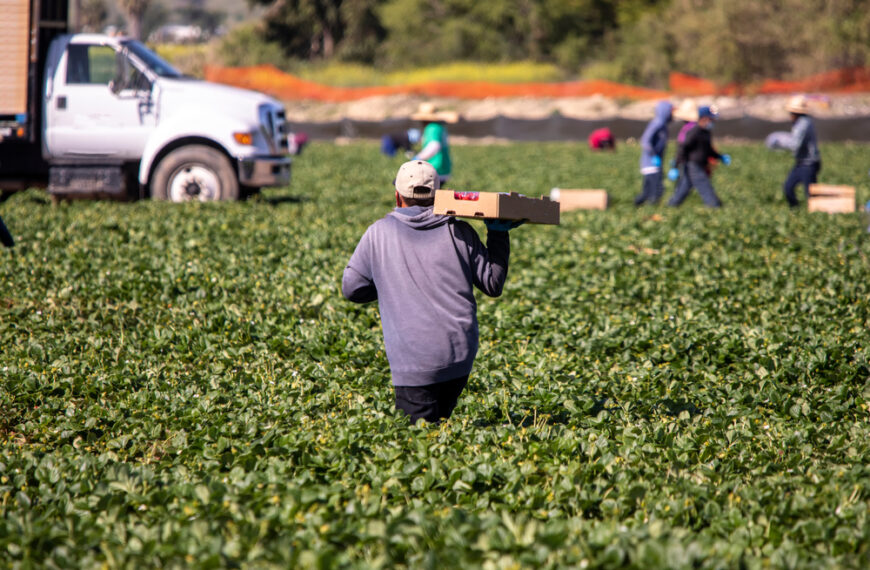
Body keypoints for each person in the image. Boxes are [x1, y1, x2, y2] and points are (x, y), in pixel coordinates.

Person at [342, 160, 519, 424]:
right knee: (441, 427)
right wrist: (497, 234)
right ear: (438, 194)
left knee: (419, 445)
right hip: (459, 357)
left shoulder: (378, 233)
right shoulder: (459, 230)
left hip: (414, 362)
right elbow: (492, 284)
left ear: (397, 195)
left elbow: (352, 289)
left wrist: (389, 284)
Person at [668, 106, 730, 208]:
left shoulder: (705, 132)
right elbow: (683, 148)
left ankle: (671, 206)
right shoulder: (695, 131)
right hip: (693, 165)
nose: (713, 122)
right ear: (704, 118)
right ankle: (715, 206)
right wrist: (676, 165)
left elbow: (708, 150)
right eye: (711, 119)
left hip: (700, 164)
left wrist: (720, 157)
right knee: (704, 185)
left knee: (684, 187)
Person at [777, 95, 822, 208]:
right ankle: (796, 210)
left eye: (791, 113)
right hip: (801, 163)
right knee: (788, 187)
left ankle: (815, 213)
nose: (790, 115)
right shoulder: (801, 123)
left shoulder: (803, 124)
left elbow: (795, 144)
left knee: (810, 193)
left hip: (809, 164)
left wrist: (780, 141)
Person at [634, 101, 673, 206]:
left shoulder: (663, 125)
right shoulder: (657, 124)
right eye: (671, 111)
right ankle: (651, 210)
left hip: (655, 163)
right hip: (651, 164)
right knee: (656, 191)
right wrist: (653, 156)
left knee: (647, 192)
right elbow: (645, 141)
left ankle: (636, 205)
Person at [411, 103, 459, 186]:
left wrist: (418, 158)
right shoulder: (440, 127)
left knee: (430, 196)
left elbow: (434, 145)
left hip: (435, 168)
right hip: (444, 167)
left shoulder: (431, 128)